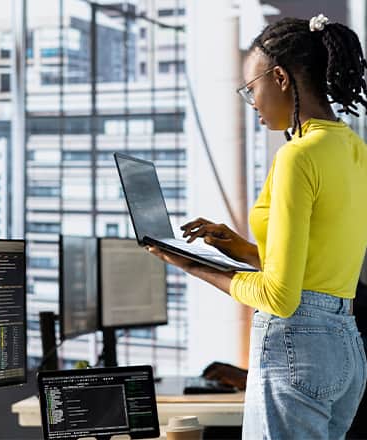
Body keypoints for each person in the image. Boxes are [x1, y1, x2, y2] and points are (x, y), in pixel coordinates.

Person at [147, 14, 367, 439]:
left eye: (251, 89)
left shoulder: (297, 156)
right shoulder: (353, 148)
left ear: (280, 77)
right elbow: (318, 261)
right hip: (345, 348)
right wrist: (241, 249)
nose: (252, 104)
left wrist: (194, 267)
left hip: (296, 346)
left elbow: (279, 298)